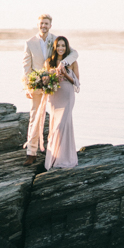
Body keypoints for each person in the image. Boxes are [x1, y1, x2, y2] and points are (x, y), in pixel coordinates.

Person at [22, 14, 78, 166]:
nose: (44, 26)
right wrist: (29, 86)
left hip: (56, 86)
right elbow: (26, 67)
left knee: (56, 119)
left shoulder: (56, 39)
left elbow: (74, 53)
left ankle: (56, 151)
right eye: (41, 23)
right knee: (35, 116)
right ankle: (31, 153)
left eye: (46, 23)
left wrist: (64, 63)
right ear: (38, 24)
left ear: (50, 25)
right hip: (38, 84)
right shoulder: (29, 43)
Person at [44, 36, 80, 170]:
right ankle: (53, 158)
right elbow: (45, 81)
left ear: (67, 48)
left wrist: (65, 74)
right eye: (58, 45)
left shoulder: (72, 61)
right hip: (55, 96)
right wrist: (50, 78)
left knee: (63, 125)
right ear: (54, 47)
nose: (60, 48)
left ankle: (64, 159)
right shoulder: (49, 62)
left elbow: (77, 82)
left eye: (63, 46)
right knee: (55, 125)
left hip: (67, 95)